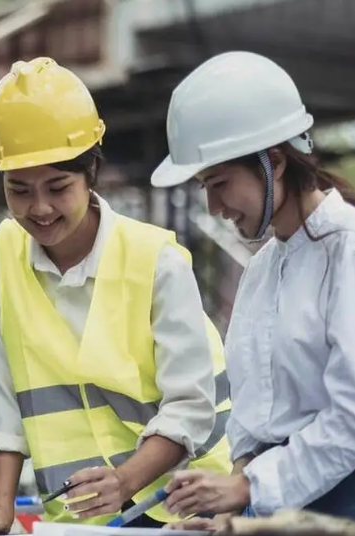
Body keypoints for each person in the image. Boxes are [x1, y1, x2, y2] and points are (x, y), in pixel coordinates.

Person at [0, 57, 233, 534]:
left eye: (58, 187)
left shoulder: (156, 259)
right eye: (19, 190)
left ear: (91, 170)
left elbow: (191, 405)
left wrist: (125, 480)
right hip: (80, 516)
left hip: (185, 503)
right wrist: (1, 508)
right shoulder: (2, 249)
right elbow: (2, 390)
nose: (40, 208)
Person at [152, 51, 355, 526]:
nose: (214, 206)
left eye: (219, 182)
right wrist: (233, 503)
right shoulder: (263, 267)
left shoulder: (347, 250)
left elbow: (351, 419)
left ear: (275, 162)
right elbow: (253, 418)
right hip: (281, 510)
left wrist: (248, 488)